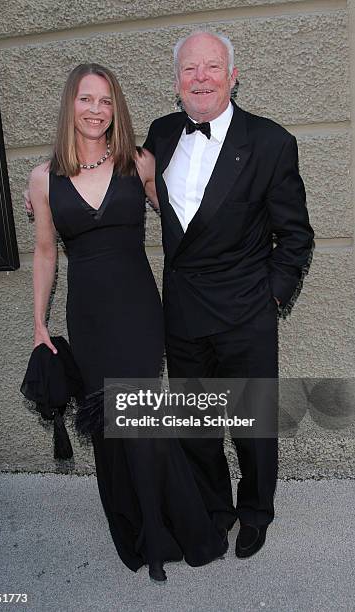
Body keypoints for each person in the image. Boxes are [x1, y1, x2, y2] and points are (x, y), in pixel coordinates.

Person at [28, 63, 226, 582]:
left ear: (116, 109)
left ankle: (173, 532)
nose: (96, 110)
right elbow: (46, 252)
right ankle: (133, 527)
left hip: (138, 310)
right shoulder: (43, 178)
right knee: (113, 429)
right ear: (70, 105)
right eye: (86, 99)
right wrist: (38, 324)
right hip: (88, 316)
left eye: (106, 101)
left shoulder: (136, 163)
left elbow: (185, 214)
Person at [143, 31, 314, 558]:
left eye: (212, 67)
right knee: (197, 426)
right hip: (184, 311)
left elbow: (296, 236)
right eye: (190, 69)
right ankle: (215, 509)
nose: (201, 78)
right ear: (176, 82)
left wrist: (273, 299)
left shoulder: (270, 142)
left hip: (246, 314)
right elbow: (111, 165)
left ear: (232, 76)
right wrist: (52, 188)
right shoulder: (162, 133)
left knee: (252, 428)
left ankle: (256, 511)